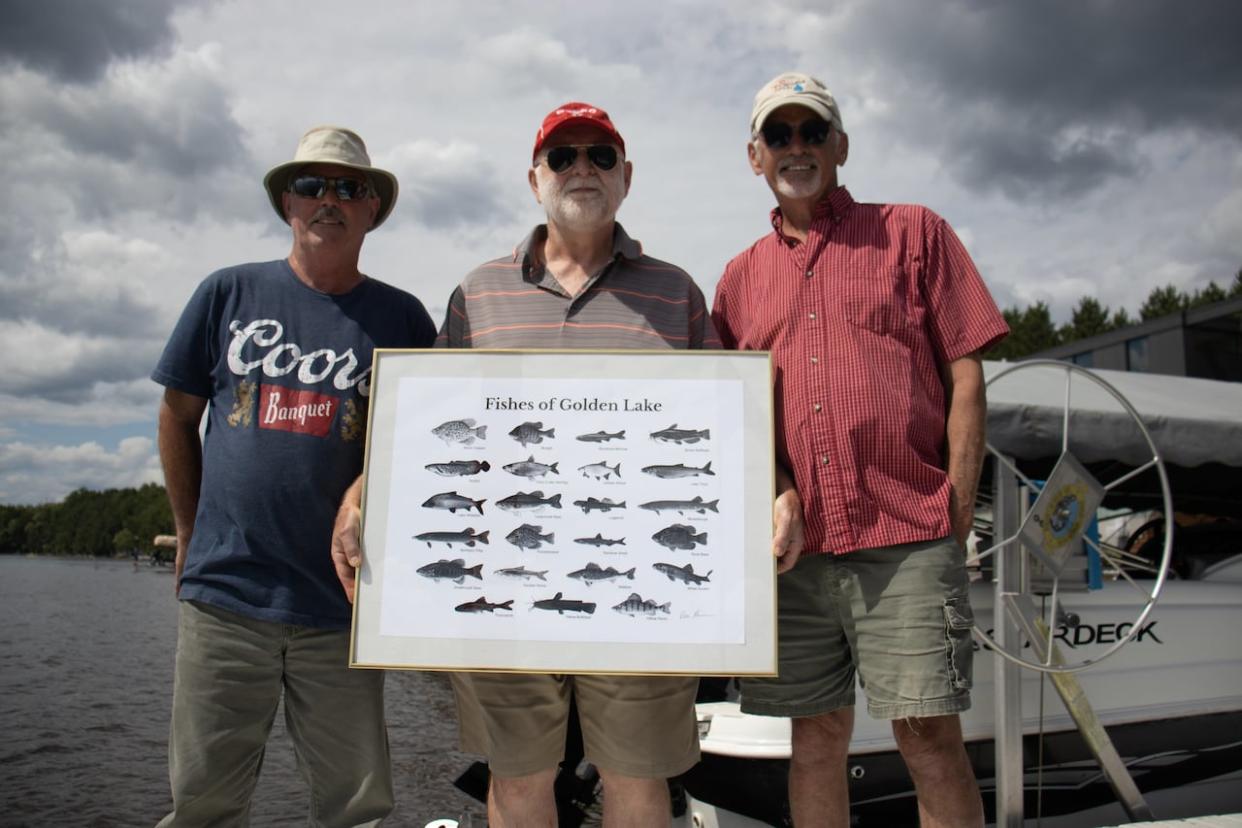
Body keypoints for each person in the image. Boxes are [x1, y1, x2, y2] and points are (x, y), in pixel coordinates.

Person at [333, 102, 720, 827]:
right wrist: (362, 495)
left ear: (626, 176)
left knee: (638, 782)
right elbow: (424, 436)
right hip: (502, 582)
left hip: (641, 592)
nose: (582, 169)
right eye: (563, 155)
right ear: (533, 176)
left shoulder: (677, 293)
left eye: (600, 156)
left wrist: (775, 492)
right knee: (516, 781)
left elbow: (721, 438)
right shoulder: (477, 293)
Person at [712, 73, 1010, 827]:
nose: (797, 148)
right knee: (814, 738)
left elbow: (966, 371)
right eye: (779, 136)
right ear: (756, 157)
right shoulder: (737, 280)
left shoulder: (915, 231)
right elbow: (738, 416)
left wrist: (958, 505)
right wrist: (777, 491)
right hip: (798, 552)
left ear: (840, 146)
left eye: (813, 132)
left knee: (929, 737)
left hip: (906, 534)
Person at [153, 125, 437, 826]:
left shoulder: (402, 317)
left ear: (373, 208)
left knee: (356, 805)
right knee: (203, 802)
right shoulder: (225, 294)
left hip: (341, 607)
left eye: (349, 187)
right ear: (289, 203)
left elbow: (421, 444)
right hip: (224, 596)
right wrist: (188, 531)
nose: (329, 199)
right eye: (312, 185)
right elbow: (177, 414)